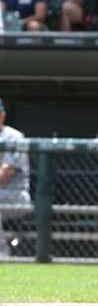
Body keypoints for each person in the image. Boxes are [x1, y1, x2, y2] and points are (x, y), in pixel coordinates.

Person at [0, 98, 30, 257]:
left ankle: (1, 256)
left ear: (2, 116)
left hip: (15, 195)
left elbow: (4, 176)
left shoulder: (13, 137)